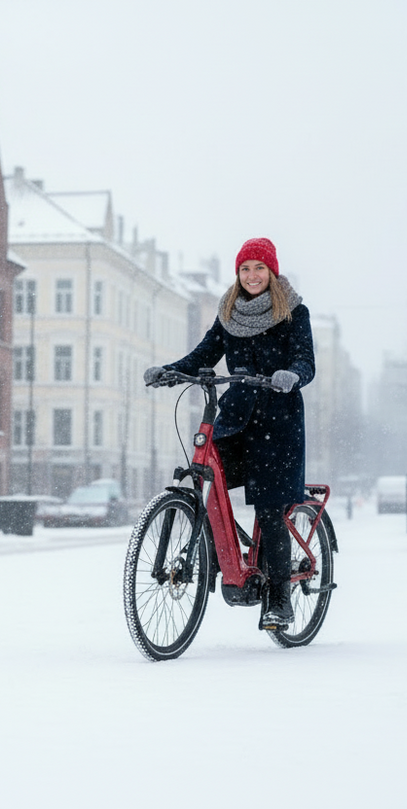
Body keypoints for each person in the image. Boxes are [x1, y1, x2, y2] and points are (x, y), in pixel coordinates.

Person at [144, 237, 314, 629]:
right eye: (245, 269)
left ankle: (279, 600)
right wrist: (171, 370)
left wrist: (293, 375)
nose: (252, 275)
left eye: (259, 268)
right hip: (236, 419)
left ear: (271, 272)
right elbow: (203, 354)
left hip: (277, 423)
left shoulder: (293, 312)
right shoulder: (229, 314)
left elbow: (306, 359)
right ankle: (220, 566)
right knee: (207, 483)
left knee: (270, 509)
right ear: (237, 274)